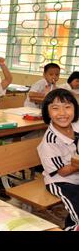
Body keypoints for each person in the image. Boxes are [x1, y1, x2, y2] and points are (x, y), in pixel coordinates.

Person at [37, 88, 79, 231]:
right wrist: (77, 164)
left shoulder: (76, 126)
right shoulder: (50, 142)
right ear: (47, 113)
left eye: (67, 107)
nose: (62, 113)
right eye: (55, 108)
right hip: (61, 182)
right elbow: (62, 172)